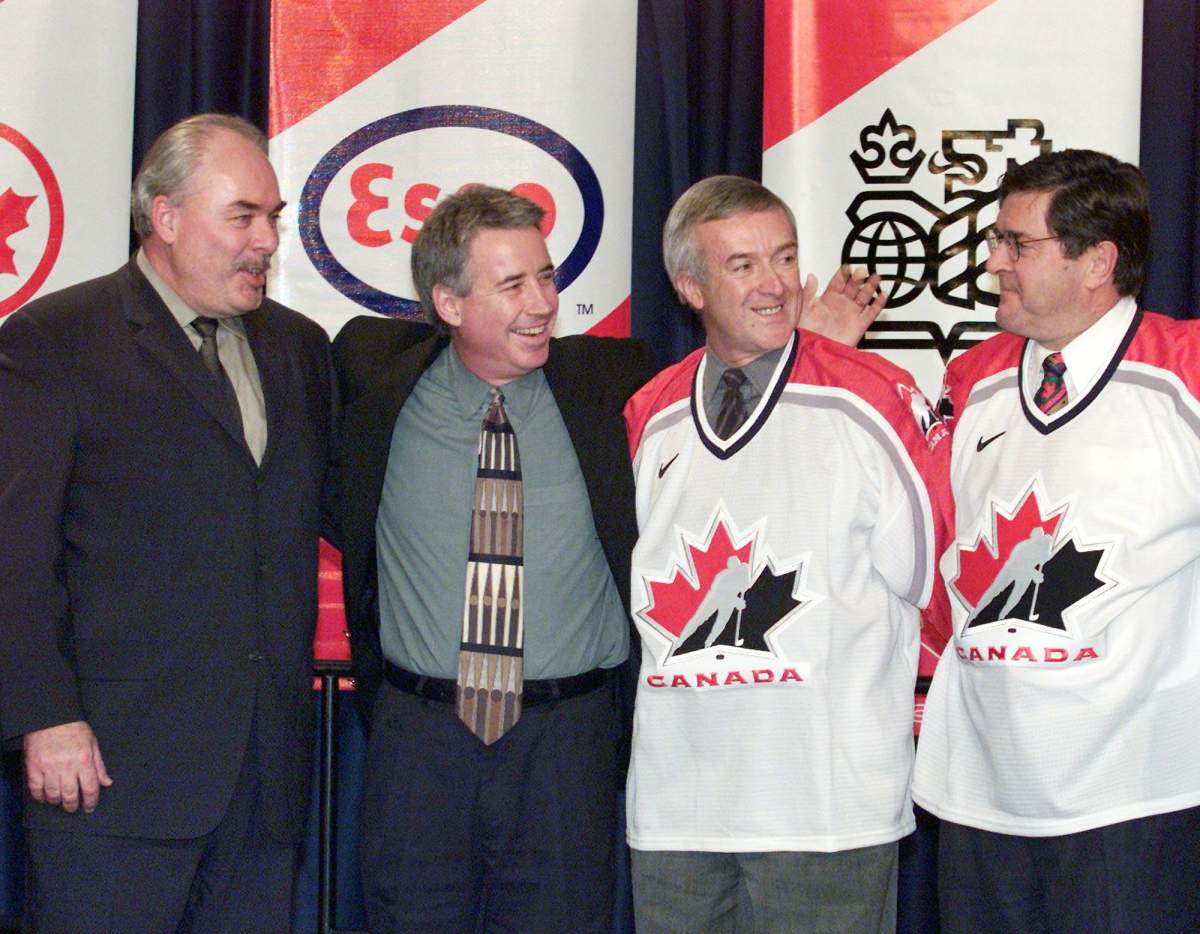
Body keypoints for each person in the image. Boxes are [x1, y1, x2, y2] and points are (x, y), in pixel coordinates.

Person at [0, 113, 334, 932]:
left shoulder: (299, 347)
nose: (266, 240)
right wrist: (44, 716)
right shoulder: (56, 341)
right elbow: (15, 552)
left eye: (272, 217)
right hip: (110, 773)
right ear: (166, 217)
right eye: (242, 216)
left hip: (265, 782)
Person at [623, 175, 951, 932]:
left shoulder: (873, 398)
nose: (775, 284)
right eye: (742, 265)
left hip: (825, 811)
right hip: (676, 813)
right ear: (690, 287)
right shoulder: (648, 414)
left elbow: (936, 581)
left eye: (785, 257)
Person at [326, 185, 658, 932]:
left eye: (546, 276)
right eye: (512, 285)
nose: (542, 303)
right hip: (419, 744)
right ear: (448, 303)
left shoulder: (616, 384)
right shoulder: (372, 381)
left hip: (565, 745)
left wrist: (809, 347)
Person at [913, 148, 1200, 932]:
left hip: (1133, 799)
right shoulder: (970, 380)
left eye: (1018, 244)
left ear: (1098, 262)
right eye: (996, 240)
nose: (993, 262)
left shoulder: (1184, 373)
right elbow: (932, 558)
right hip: (979, 790)